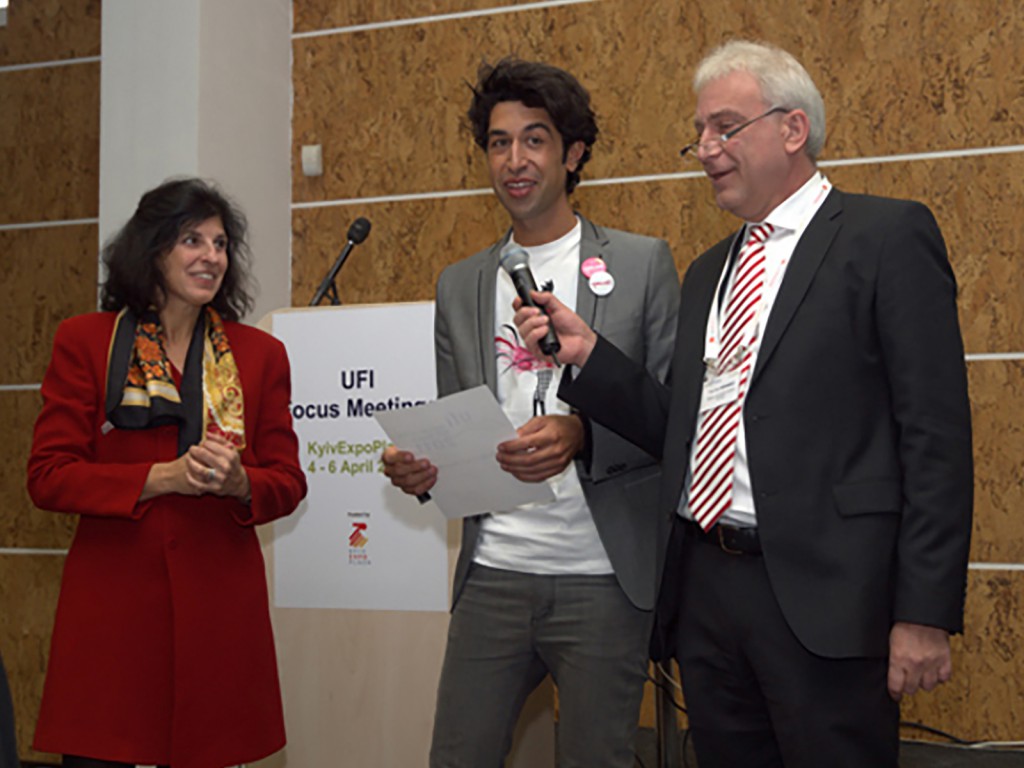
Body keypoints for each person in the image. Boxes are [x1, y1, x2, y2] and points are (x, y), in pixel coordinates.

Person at [514, 40, 973, 768]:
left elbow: (936, 439)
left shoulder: (885, 238)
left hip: (829, 601)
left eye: (724, 128)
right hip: (709, 595)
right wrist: (589, 359)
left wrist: (923, 615)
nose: (704, 148)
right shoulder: (708, 272)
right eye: (698, 132)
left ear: (792, 129)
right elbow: (686, 431)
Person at [381, 58, 679, 767]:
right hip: (495, 575)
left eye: (535, 140)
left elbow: (673, 419)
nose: (514, 160)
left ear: (573, 154)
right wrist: (423, 471)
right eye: (498, 142)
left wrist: (582, 434)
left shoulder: (641, 265)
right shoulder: (459, 285)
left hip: (604, 579)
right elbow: (460, 428)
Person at [27, 178, 308, 768]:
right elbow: (49, 476)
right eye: (191, 240)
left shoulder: (259, 354)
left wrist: (240, 483)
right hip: (114, 612)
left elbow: (287, 479)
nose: (211, 256)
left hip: (218, 612)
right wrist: (163, 477)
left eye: (221, 243)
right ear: (153, 249)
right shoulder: (86, 342)